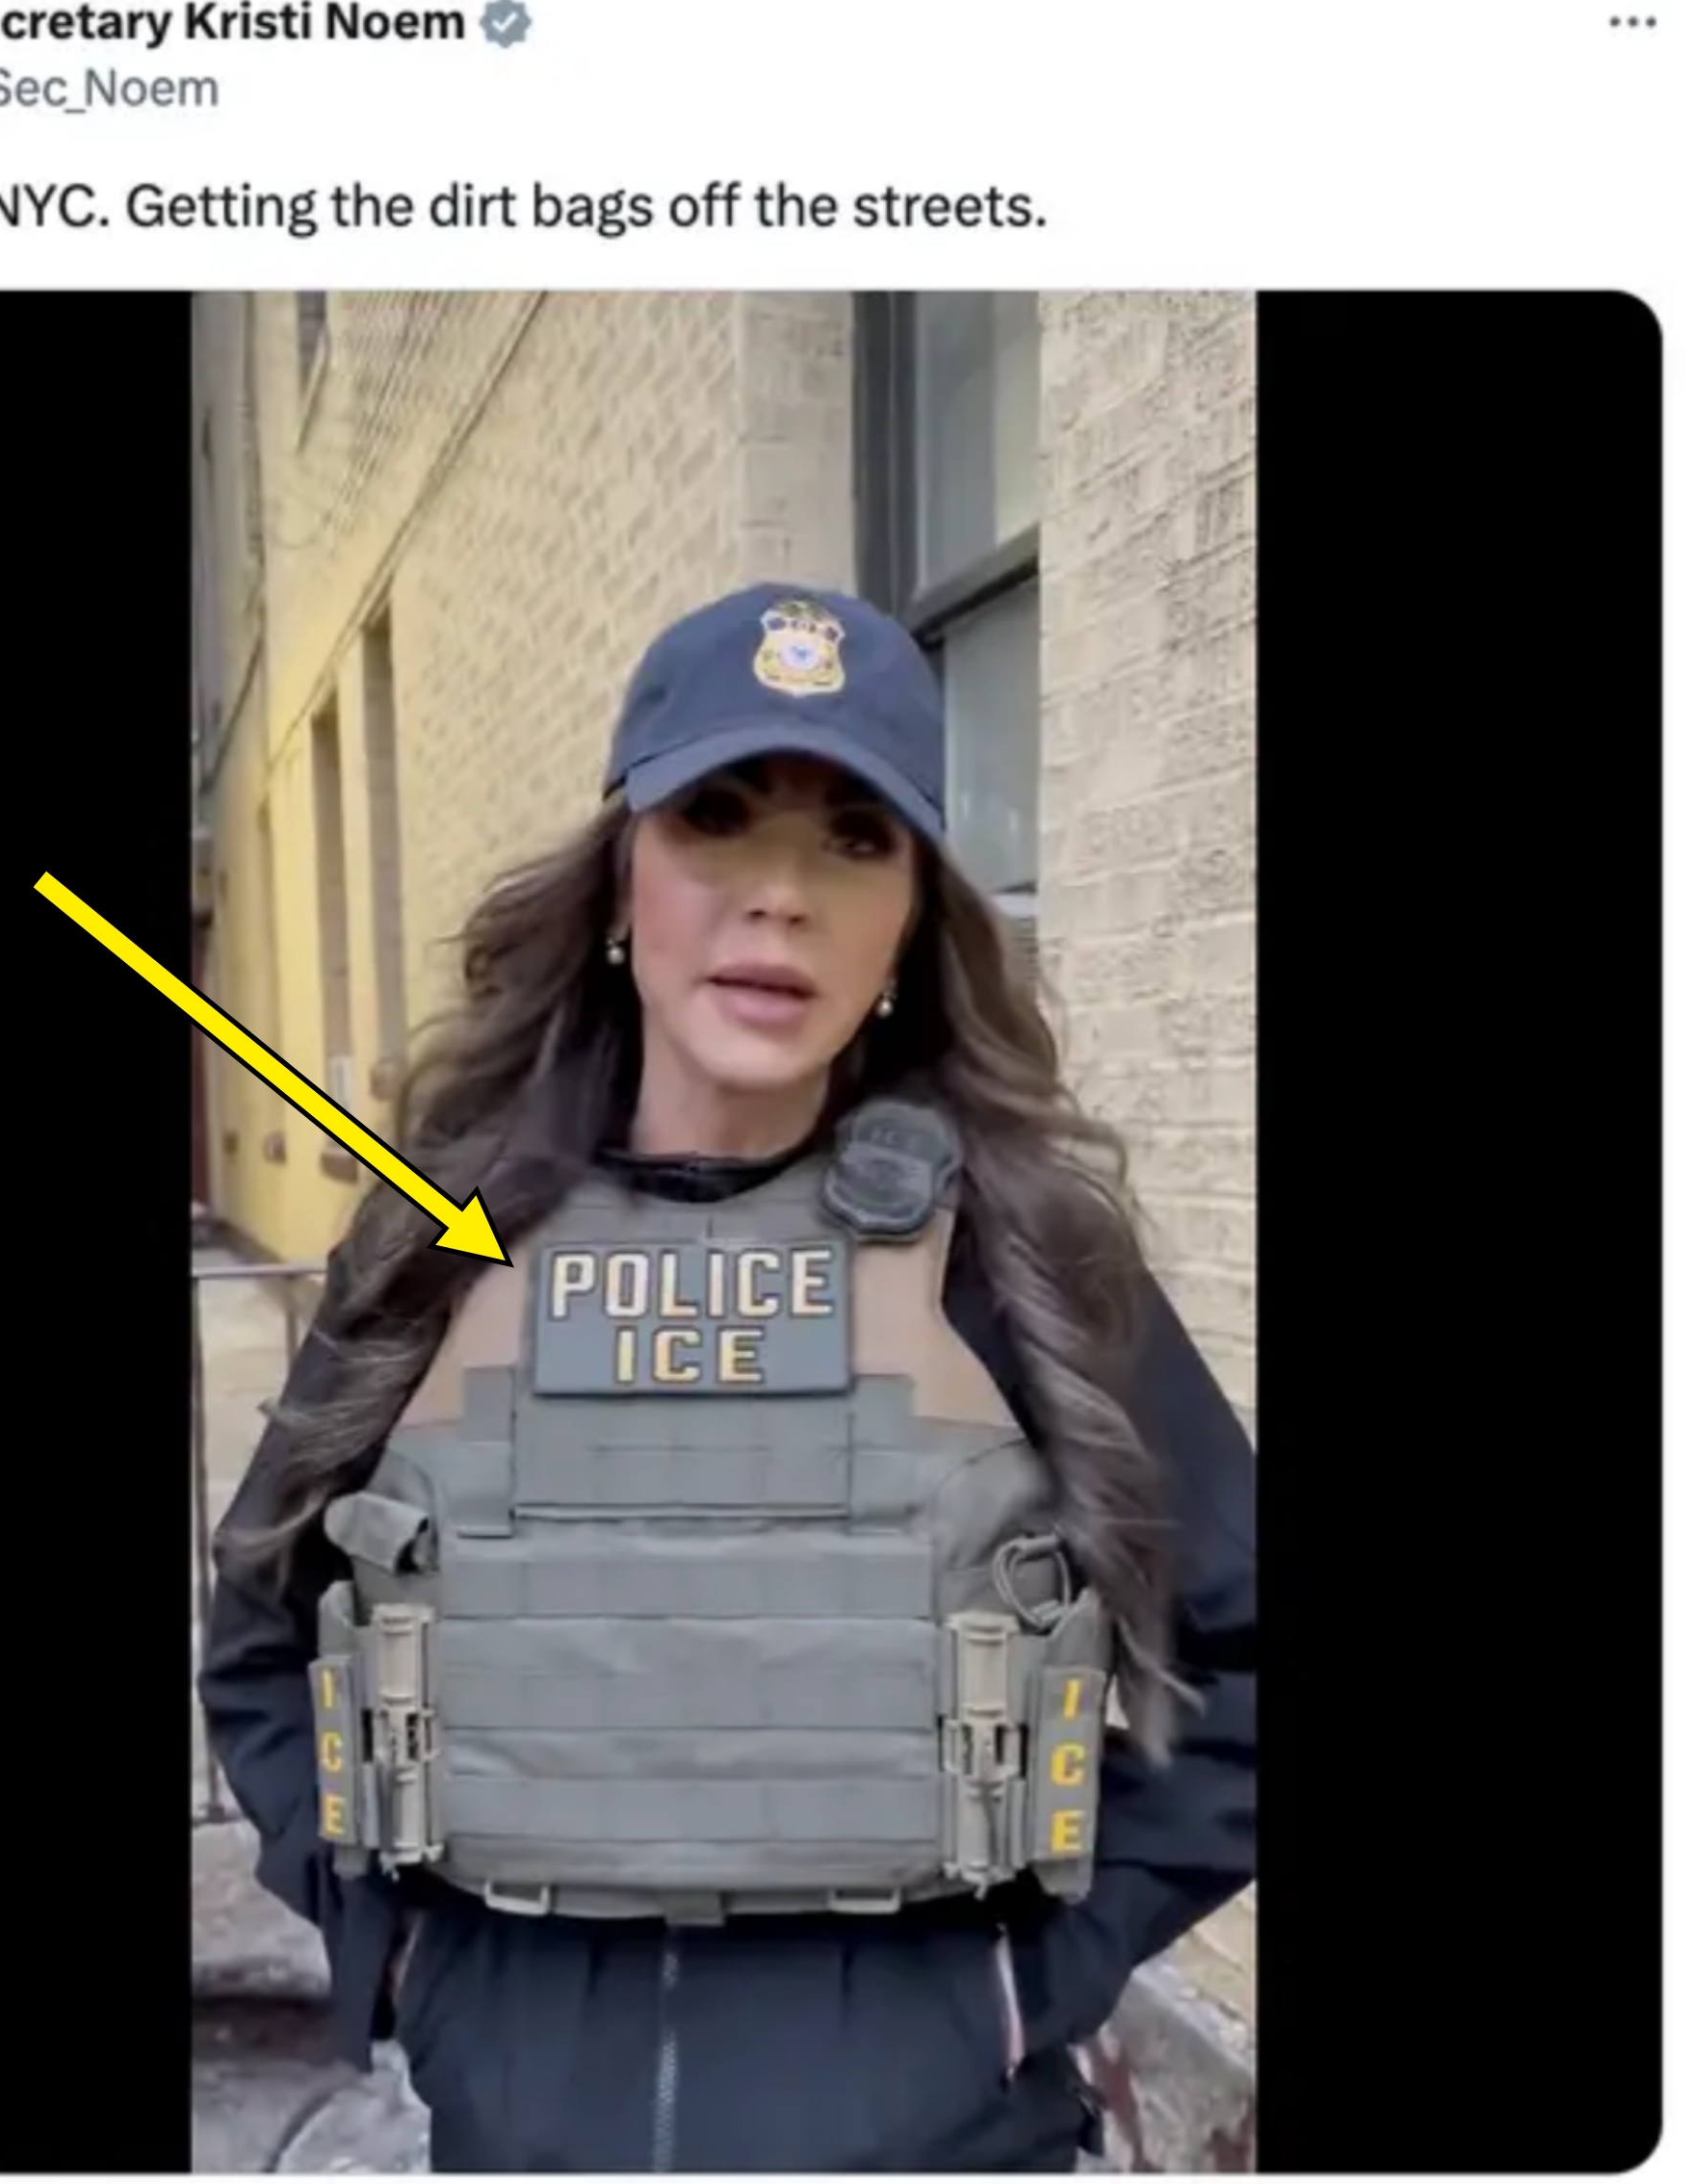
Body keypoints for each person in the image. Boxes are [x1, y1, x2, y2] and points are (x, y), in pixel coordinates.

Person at [198, 584, 1257, 2171]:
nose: (781, 897)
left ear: (910, 916)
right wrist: (411, 1958)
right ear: (624, 873)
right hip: (528, 2112)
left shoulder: (1017, 1252)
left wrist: (1031, 1979)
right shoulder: (442, 1239)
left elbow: (1242, 1655)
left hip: (941, 2122)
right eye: (717, 817)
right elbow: (261, 1633)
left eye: (853, 838)